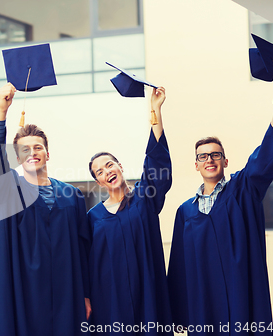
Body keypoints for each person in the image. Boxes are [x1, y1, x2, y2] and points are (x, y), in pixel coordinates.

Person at [168, 78, 273, 335]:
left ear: (225, 161)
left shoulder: (242, 190)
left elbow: (265, 155)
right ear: (196, 165)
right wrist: (179, 314)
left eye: (215, 155)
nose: (209, 159)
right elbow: (179, 266)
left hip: (240, 295)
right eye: (203, 156)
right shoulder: (185, 212)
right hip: (204, 302)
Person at [0, 83, 92, 336]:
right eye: (25, 150)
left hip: (68, 295)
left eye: (38, 147)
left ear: (48, 153)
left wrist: (86, 295)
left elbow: (84, 249)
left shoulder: (71, 195)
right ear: (18, 158)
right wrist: (2, 111)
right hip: (24, 297)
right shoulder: (9, 190)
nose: (33, 153)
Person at [87, 87, 172, 335]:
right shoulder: (92, 218)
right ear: (98, 182)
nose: (107, 172)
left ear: (120, 167)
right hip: (110, 303)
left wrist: (155, 112)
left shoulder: (144, 199)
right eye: (99, 172)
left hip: (147, 295)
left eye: (109, 165)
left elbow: (157, 165)